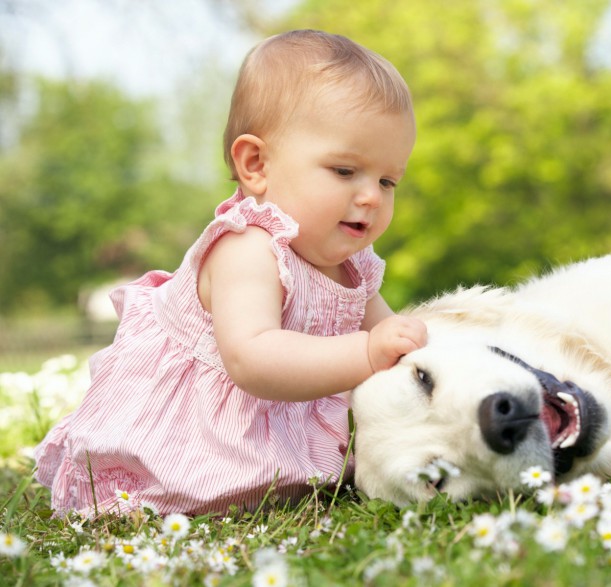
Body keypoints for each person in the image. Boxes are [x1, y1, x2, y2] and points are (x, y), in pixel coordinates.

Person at [33, 30, 427, 516]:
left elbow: (392, 336)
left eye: (388, 181)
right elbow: (254, 358)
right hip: (197, 432)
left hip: (278, 425)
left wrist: (408, 347)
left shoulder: (355, 266)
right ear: (256, 164)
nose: (371, 196)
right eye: (346, 171)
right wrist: (369, 351)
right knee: (165, 494)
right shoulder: (247, 247)